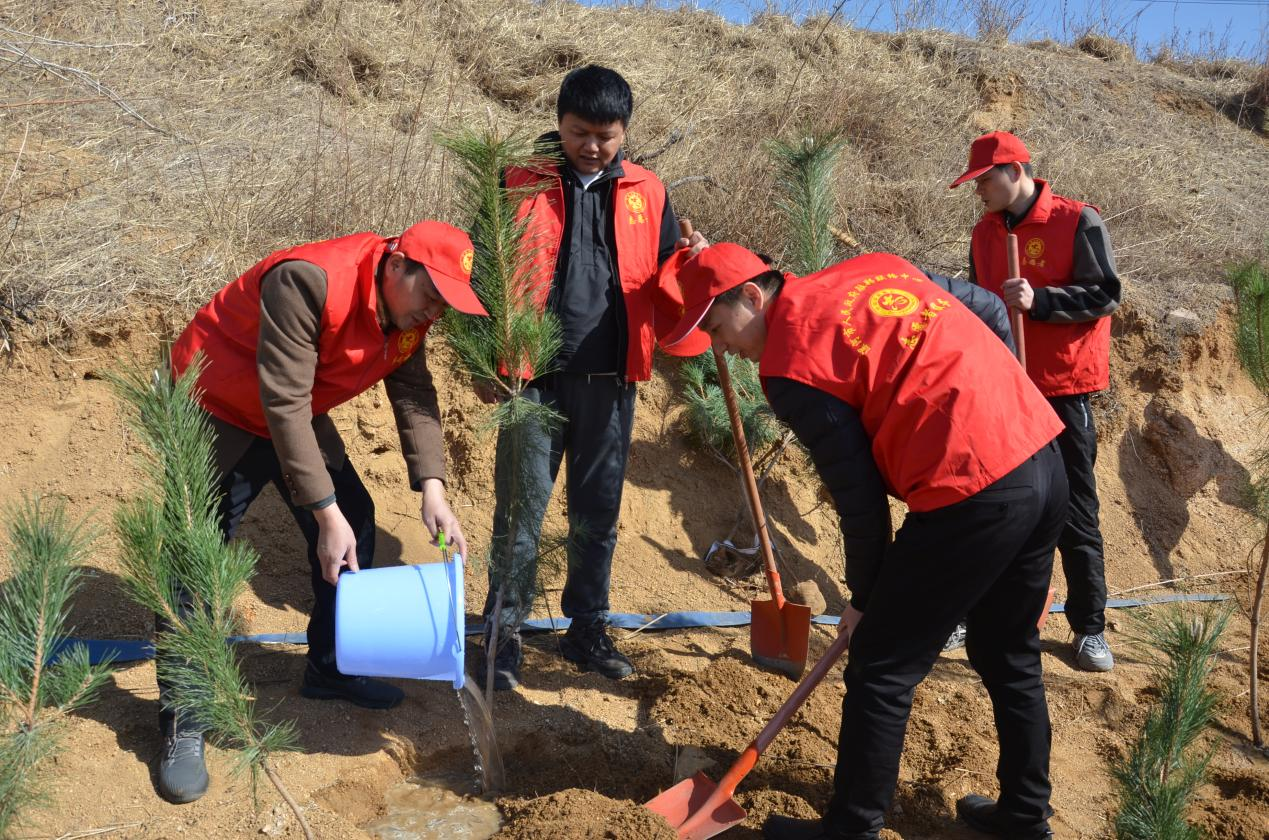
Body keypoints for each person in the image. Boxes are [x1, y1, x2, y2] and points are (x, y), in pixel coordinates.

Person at [662, 244, 1068, 839]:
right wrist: (992, 398)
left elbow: (858, 497)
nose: (720, 348)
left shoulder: (792, 366)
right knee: (1007, 649)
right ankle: (1026, 817)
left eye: (717, 329)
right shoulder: (875, 268)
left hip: (970, 486)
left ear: (752, 295)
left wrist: (864, 596)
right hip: (1040, 453)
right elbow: (986, 306)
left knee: (880, 665)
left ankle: (851, 830)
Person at [160, 220, 484, 804]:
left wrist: (433, 488)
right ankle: (184, 718)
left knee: (356, 516)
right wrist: (323, 515)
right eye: (432, 295)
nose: (434, 312)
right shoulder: (308, 281)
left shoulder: (410, 315)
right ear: (396, 266)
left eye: (445, 304)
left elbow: (413, 393)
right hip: (218, 403)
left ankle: (332, 666)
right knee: (196, 553)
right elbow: (282, 401)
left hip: (291, 409)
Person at [476, 64, 707, 690]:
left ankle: (587, 628)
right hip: (533, 378)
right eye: (580, 132)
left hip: (610, 380)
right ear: (559, 123)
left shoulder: (647, 191)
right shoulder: (516, 179)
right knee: (519, 513)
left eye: (606, 136)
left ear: (624, 131)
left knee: (597, 513)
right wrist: (485, 358)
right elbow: (483, 270)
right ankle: (503, 633)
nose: (592, 146)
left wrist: (692, 262)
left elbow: (667, 273)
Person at [951, 130, 1122, 672]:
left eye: (984, 180)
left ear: (1015, 172)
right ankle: (974, 613)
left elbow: (1106, 293)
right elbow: (979, 304)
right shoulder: (984, 232)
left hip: (1063, 390)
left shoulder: (1077, 220)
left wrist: (1039, 300)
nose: (978, 190)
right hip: (1006, 388)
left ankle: (1090, 627)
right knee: (994, 506)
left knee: (1074, 511)